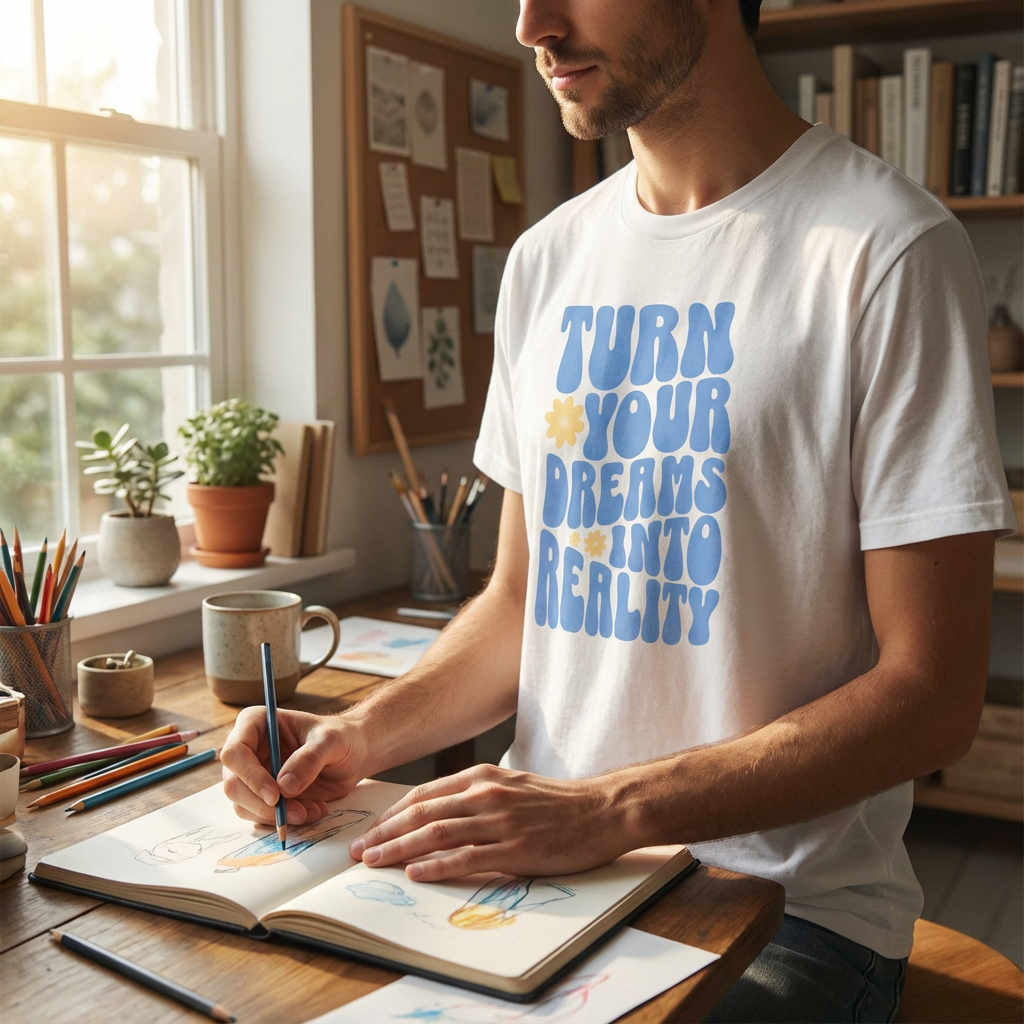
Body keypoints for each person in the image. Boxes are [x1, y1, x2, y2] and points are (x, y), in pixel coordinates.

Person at [221, 0, 1017, 1019]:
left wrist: (606, 807)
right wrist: (358, 736)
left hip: (785, 912)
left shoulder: (888, 252)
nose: (529, 25)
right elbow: (519, 606)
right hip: (533, 880)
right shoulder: (547, 260)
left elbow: (932, 694)